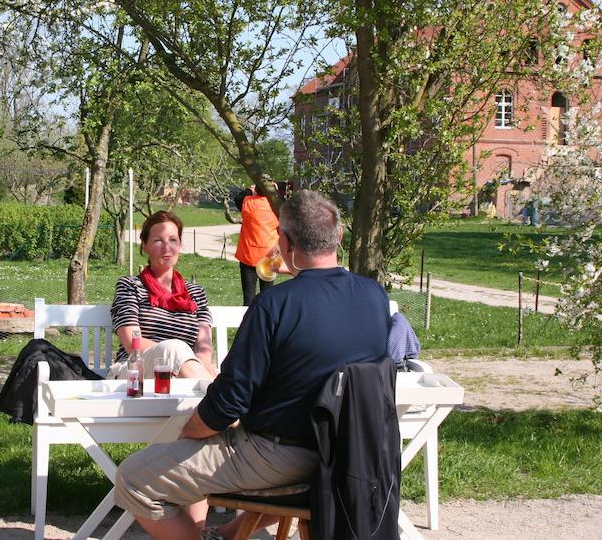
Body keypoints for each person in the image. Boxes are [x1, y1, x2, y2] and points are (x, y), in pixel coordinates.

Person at [114, 190, 390, 539]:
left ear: (285, 243)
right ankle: (227, 534)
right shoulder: (374, 297)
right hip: (349, 454)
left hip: (277, 454)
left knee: (133, 479)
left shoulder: (274, 305)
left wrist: (189, 432)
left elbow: (227, 403)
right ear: (338, 238)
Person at [108, 210, 217, 381]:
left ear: (179, 244)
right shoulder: (130, 286)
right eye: (158, 240)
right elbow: (132, 344)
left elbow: (204, 348)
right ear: (144, 245)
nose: (167, 247)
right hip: (134, 372)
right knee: (174, 348)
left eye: (173, 240)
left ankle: (213, 400)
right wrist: (173, 354)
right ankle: (218, 402)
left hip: (182, 376)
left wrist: (194, 361)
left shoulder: (196, 293)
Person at [234, 181, 279, 306]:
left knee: (248, 298)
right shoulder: (276, 207)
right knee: (268, 296)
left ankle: (248, 324)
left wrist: (250, 190)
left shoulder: (247, 202)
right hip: (269, 257)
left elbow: (238, 198)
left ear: (257, 190)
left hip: (248, 256)